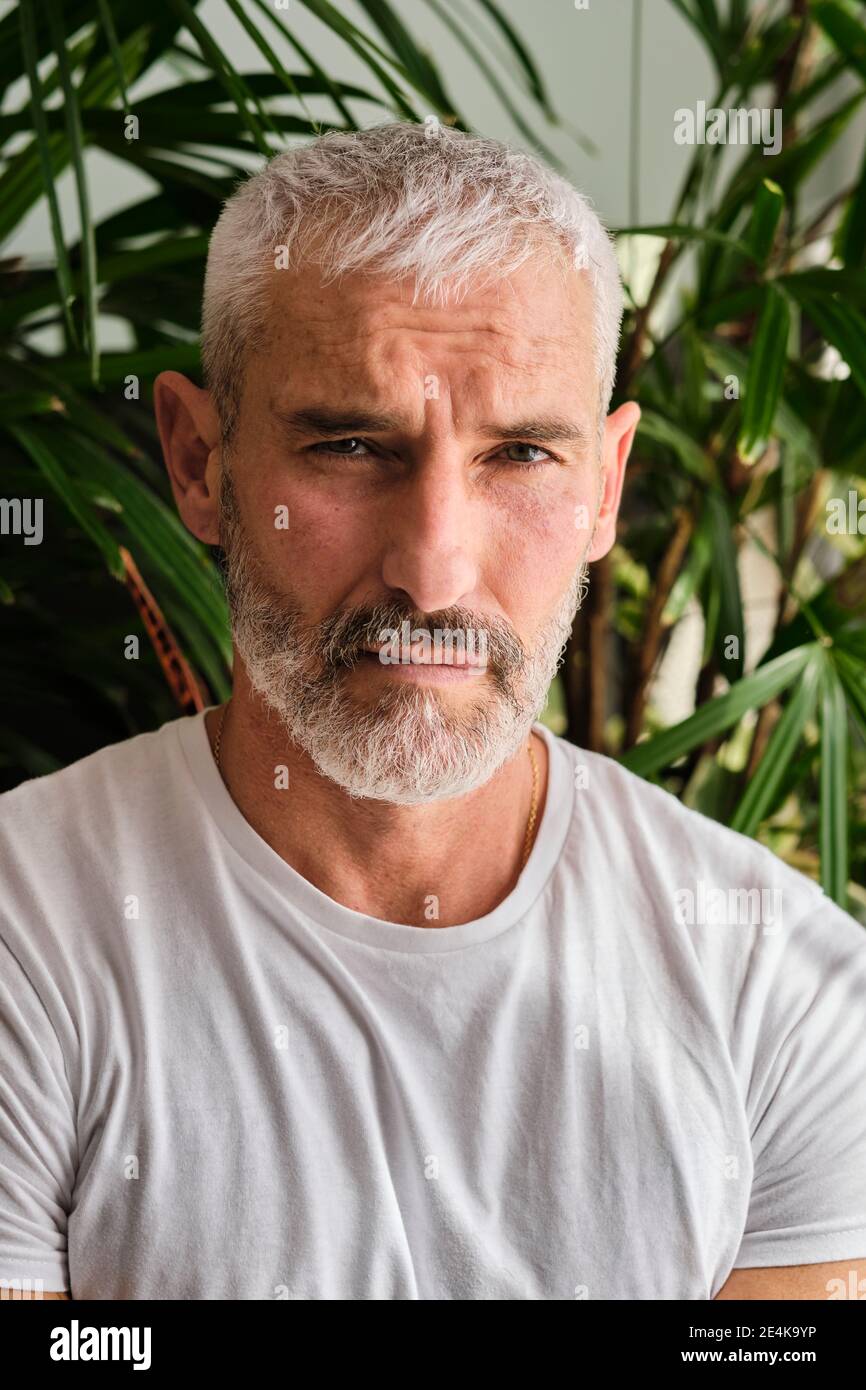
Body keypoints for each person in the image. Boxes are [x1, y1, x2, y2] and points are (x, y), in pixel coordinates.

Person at [1, 122, 864, 1302]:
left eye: (519, 455)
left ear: (604, 489)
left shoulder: (781, 988)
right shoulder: (27, 932)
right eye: (353, 446)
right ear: (198, 461)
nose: (433, 570)